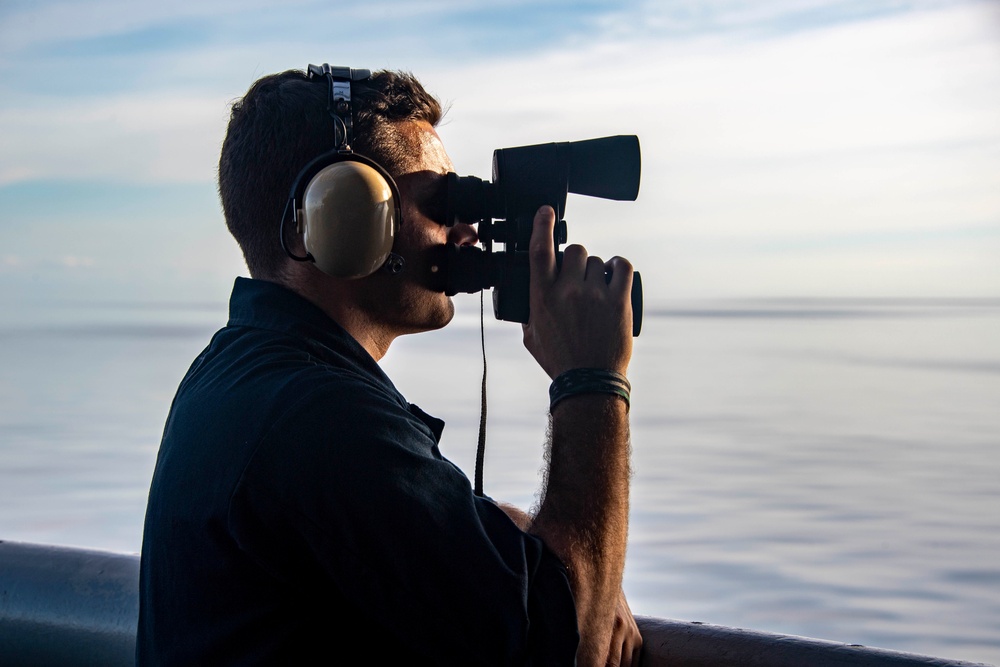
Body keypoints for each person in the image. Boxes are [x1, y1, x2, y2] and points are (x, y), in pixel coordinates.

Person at [137, 65, 640, 666]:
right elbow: (571, 644)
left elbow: (389, 525)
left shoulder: (238, 374)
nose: (469, 231)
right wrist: (591, 378)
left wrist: (522, 539)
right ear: (340, 216)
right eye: (441, 202)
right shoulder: (319, 417)